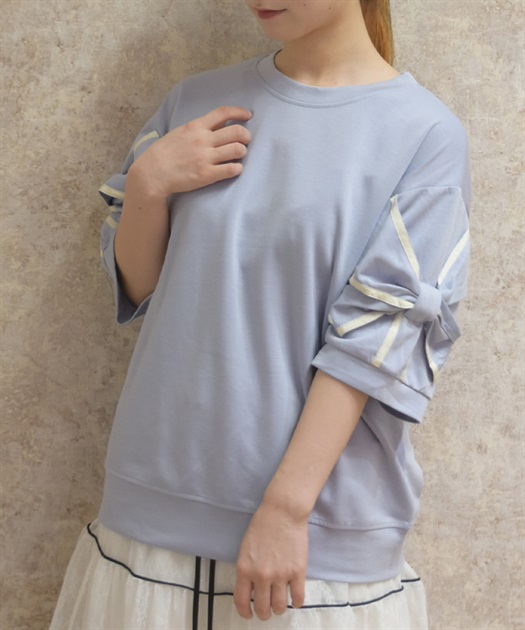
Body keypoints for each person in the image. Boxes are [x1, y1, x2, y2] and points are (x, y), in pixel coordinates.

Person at [50, 1, 471, 628]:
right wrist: (149, 182)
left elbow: (376, 345)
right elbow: (140, 286)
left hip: (309, 542)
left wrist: (286, 511)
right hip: (149, 510)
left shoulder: (424, 133)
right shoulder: (196, 100)